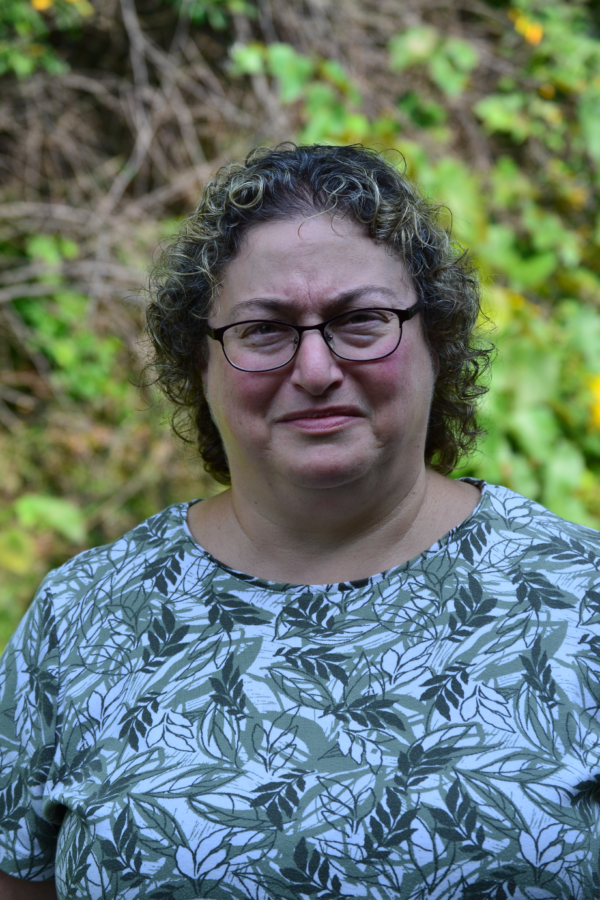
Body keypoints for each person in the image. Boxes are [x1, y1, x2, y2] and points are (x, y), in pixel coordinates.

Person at [1, 143, 599, 900]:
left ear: (437, 342)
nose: (315, 371)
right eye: (264, 330)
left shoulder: (581, 600)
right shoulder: (83, 618)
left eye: (362, 320)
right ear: (199, 366)